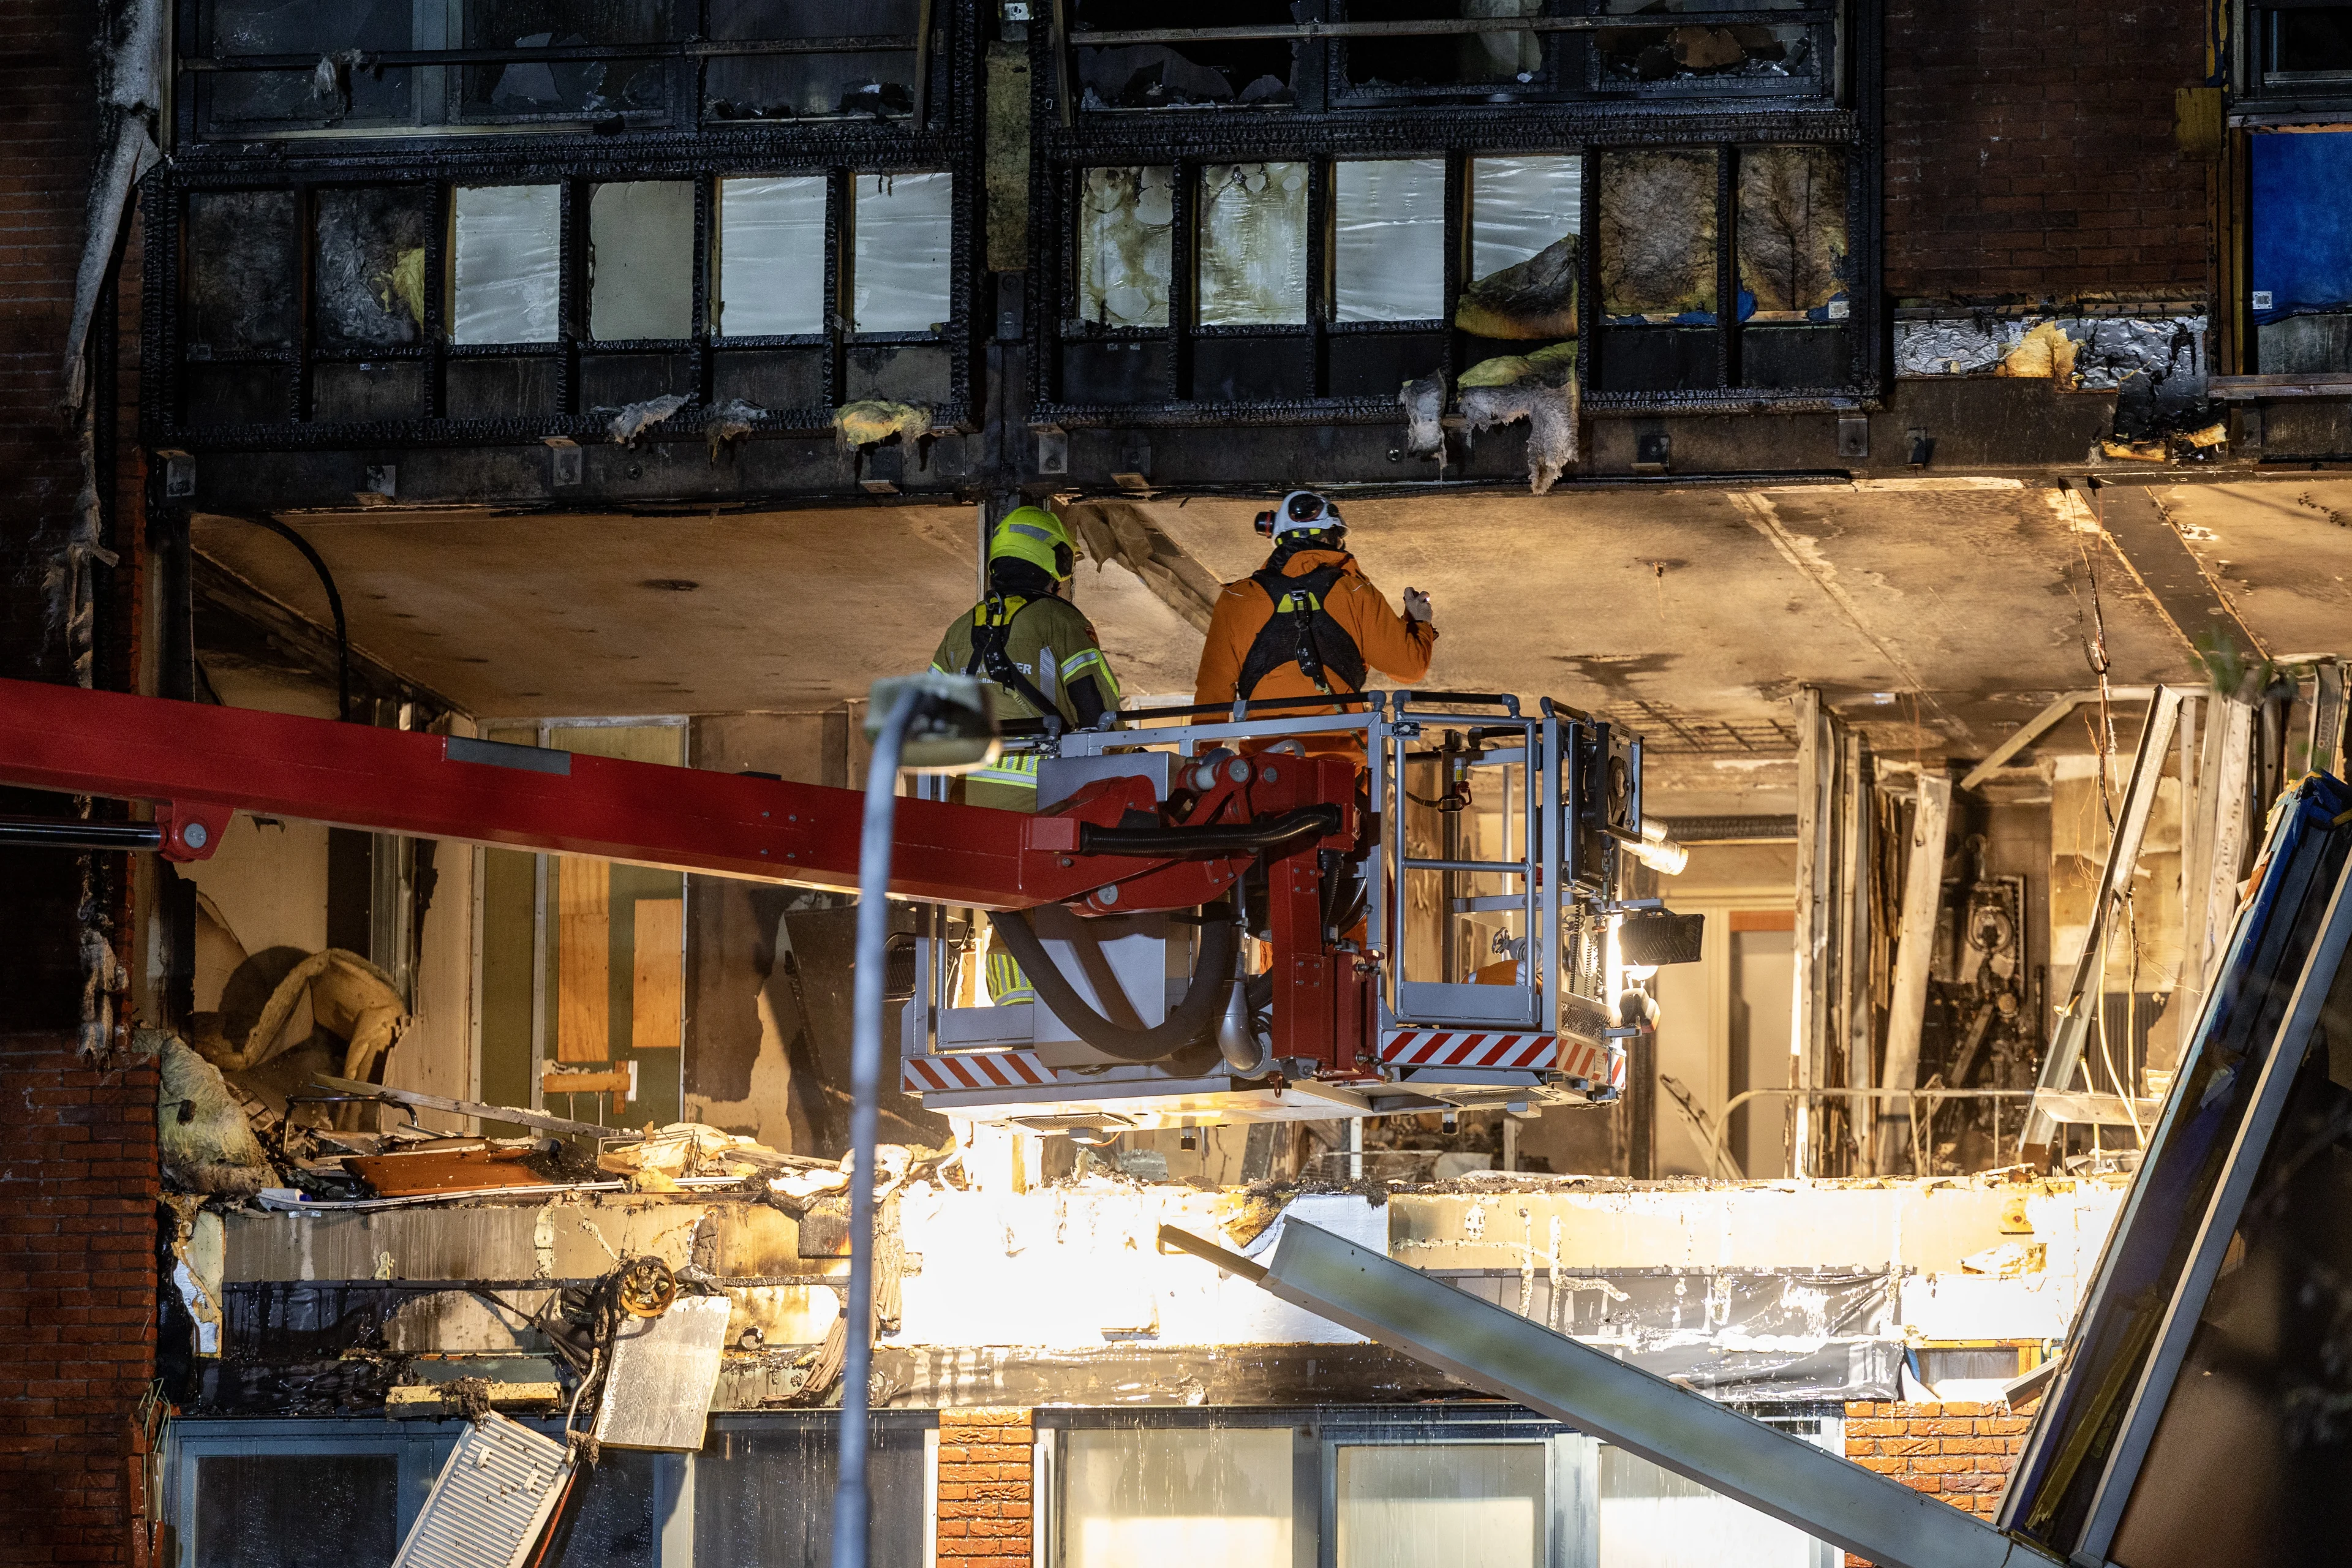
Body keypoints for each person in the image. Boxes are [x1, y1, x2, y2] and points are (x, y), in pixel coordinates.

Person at [930, 504, 1121, 1003]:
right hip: (1042, 798)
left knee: (1007, 910)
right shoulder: (1059, 619)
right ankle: (1063, 1009)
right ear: (1054, 559)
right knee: (1059, 904)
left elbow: (930, 725)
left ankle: (1013, 1008)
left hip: (969, 810)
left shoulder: (959, 630)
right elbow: (1098, 711)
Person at [1193, 489, 1436, 759]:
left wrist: (1202, 760)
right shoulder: (1354, 591)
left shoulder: (1238, 599)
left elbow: (1212, 692)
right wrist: (1419, 622)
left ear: (1279, 539)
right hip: (1342, 765)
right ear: (1329, 538)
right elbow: (1408, 667)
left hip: (1266, 767)